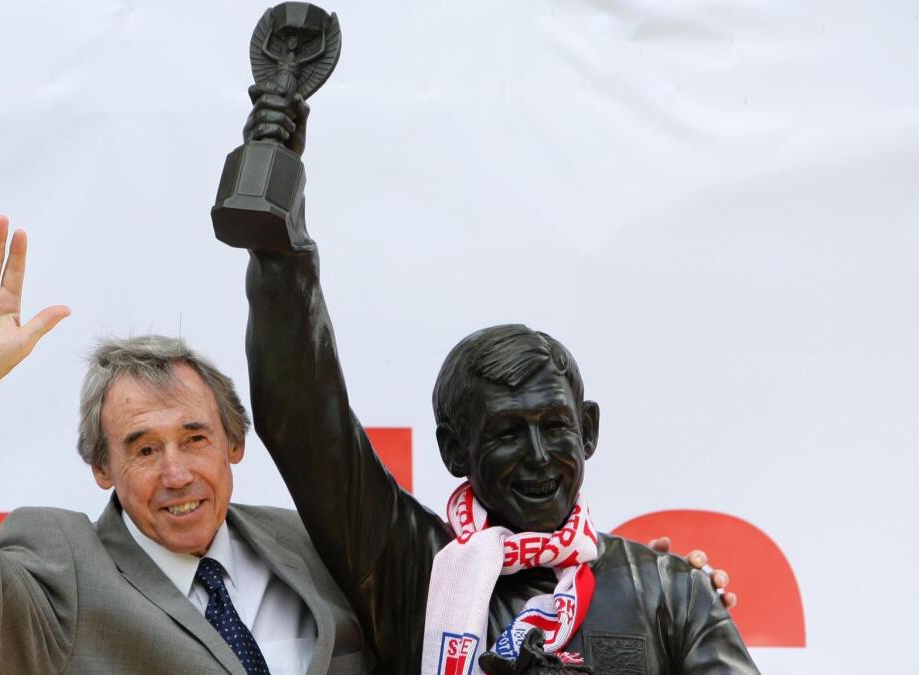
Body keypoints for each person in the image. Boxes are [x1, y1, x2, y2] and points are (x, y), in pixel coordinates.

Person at [236, 83, 759, 673]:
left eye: (555, 426)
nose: (539, 456)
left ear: (588, 431)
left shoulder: (668, 590)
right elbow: (305, 419)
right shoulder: (414, 569)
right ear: (454, 449)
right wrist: (277, 233)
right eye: (508, 432)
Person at [0, 216, 374, 674]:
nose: (176, 473)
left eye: (195, 438)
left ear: (234, 443)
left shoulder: (310, 543)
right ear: (102, 467)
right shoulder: (70, 569)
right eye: (144, 450)